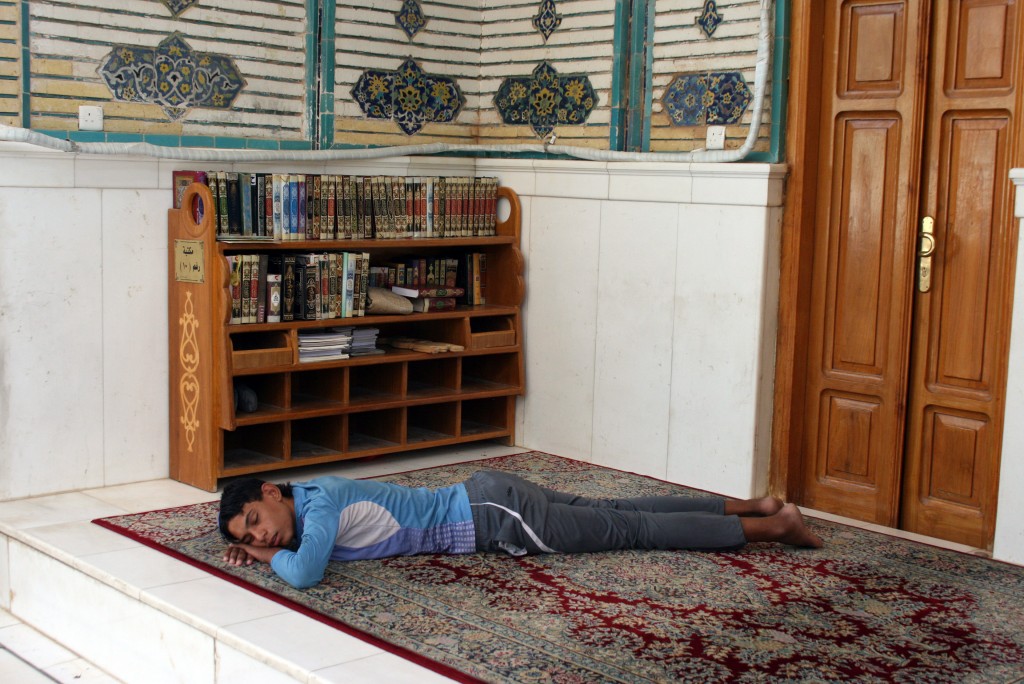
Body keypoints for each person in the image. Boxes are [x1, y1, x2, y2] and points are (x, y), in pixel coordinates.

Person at [219, 470, 823, 589]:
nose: (261, 537)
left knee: (629, 529)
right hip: (489, 493)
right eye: (248, 539)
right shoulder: (317, 499)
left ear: (273, 492)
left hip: (490, 517)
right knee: (616, 511)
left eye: (254, 520)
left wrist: (273, 562)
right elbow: (302, 549)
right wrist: (267, 551)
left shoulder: (319, 511)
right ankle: (756, 504)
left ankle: (772, 528)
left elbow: (304, 574)